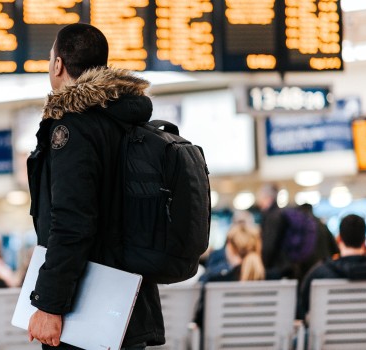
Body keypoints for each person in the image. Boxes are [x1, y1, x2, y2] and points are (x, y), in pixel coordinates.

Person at [26, 23, 164, 348]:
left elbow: (72, 221)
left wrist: (49, 304)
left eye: (50, 59)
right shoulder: (127, 122)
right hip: (130, 303)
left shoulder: (73, 127)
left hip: (86, 309)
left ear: (58, 64)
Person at [297, 214, 366, 321]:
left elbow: (302, 309)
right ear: (364, 241)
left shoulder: (318, 273)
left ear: (339, 239)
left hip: (329, 335)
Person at [194, 223, 266, 327]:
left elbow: (199, 321)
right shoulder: (273, 281)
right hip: (263, 342)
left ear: (230, 247)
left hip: (221, 341)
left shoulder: (214, 281)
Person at [256, 184, 289, 278]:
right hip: (282, 266)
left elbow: (269, 245)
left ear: (268, 198)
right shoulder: (278, 214)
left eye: (260, 197)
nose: (259, 201)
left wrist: (262, 265)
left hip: (276, 267)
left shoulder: (272, 217)